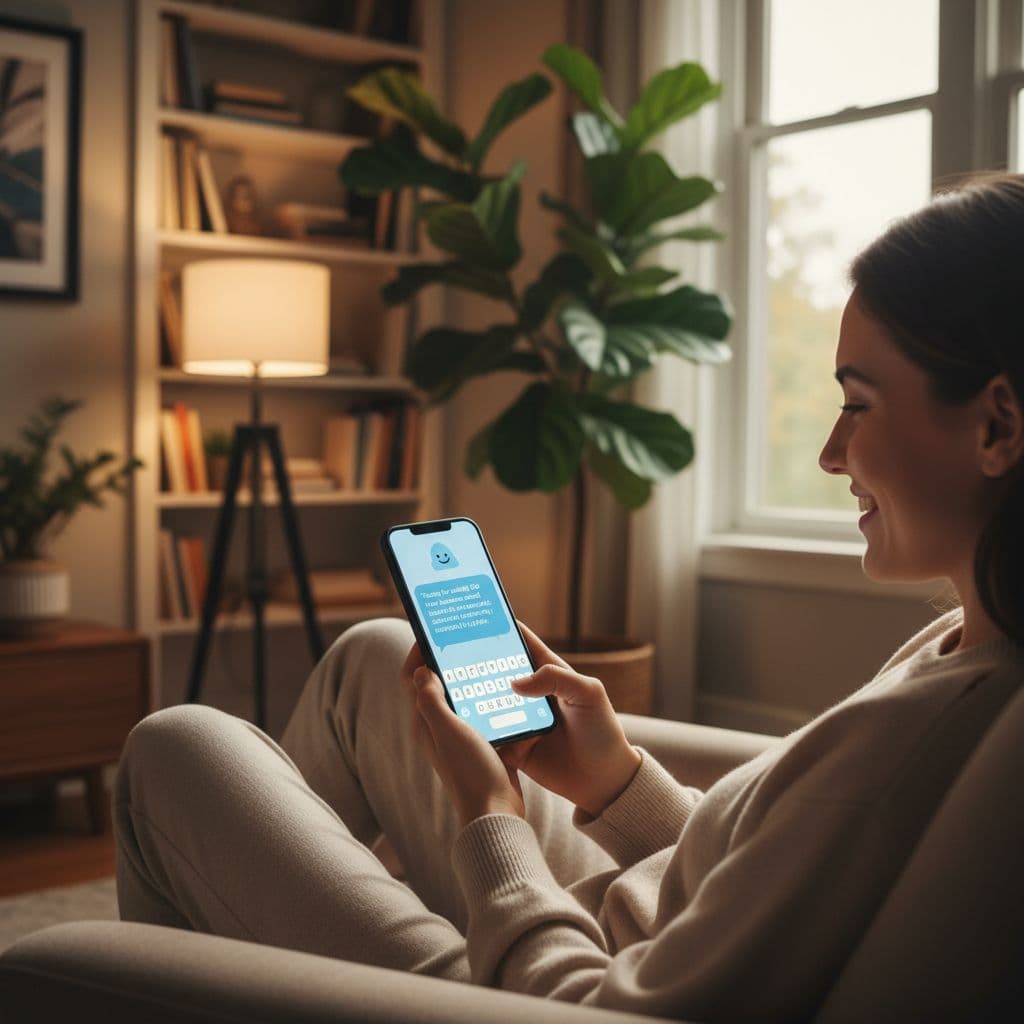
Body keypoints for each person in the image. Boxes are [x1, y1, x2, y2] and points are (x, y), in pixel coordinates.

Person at [114, 172, 1024, 1021]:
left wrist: (491, 822)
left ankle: (200, 975)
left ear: (997, 425)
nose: (831, 453)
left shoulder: (909, 750)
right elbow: (763, 876)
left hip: (534, 992)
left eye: (857, 404)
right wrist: (613, 780)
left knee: (175, 748)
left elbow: (600, 1007)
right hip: (607, 920)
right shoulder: (963, 646)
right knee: (376, 655)